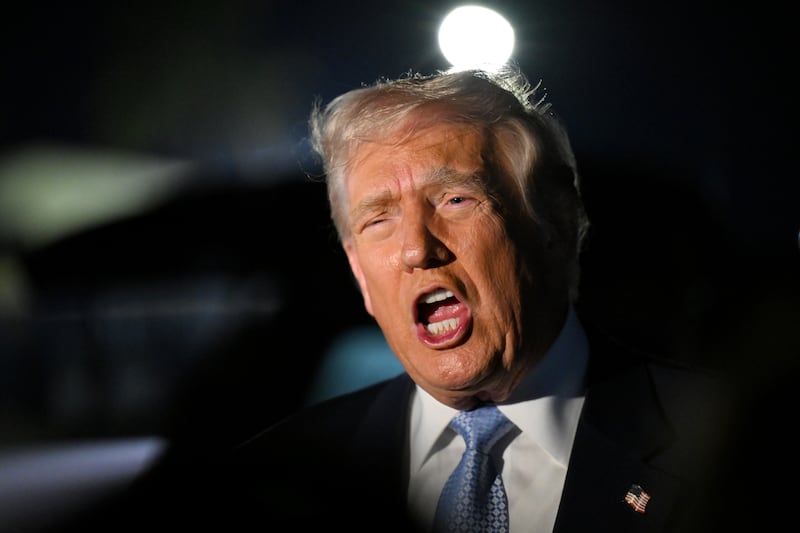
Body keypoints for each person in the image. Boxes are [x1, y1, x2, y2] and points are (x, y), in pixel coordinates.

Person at [56, 64, 734, 533]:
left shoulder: (737, 442)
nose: (417, 247)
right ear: (357, 272)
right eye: (378, 219)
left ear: (553, 227)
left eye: (455, 198)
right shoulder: (274, 474)